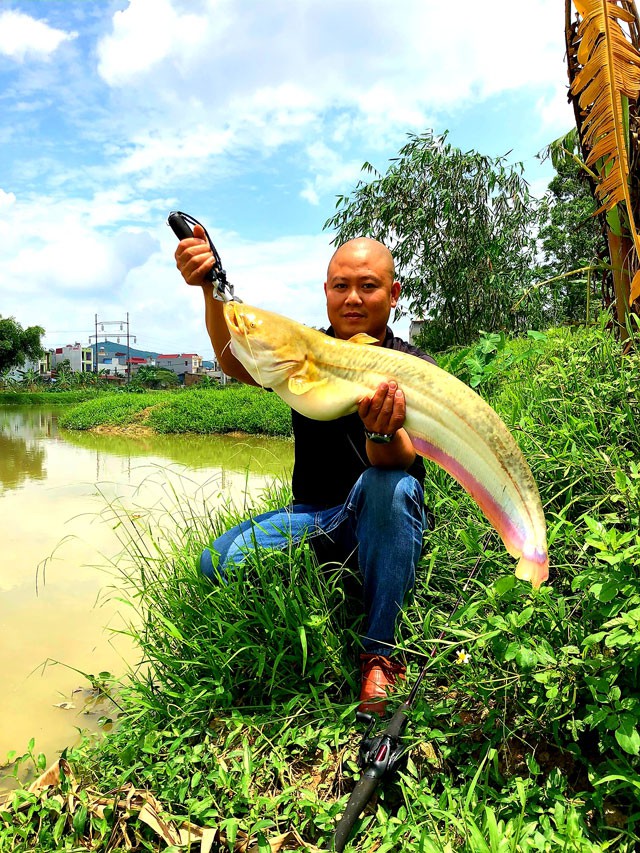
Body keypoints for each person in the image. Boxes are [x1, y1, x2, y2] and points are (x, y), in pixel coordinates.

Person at [175, 230, 436, 714]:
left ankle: (381, 655)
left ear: (394, 294)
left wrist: (380, 431)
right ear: (326, 291)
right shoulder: (302, 351)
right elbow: (234, 361)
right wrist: (212, 290)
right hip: (314, 515)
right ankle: (334, 575)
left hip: (379, 506)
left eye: (368, 285)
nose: (352, 297)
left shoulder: (413, 367)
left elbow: (403, 463)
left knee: (391, 488)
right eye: (340, 286)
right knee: (216, 563)